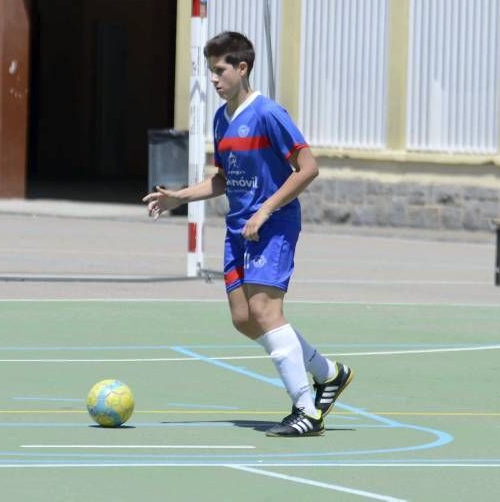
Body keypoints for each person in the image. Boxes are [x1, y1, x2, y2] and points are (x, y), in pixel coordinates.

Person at [142, 32, 353, 437]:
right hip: (239, 229)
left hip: (272, 226)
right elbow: (222, 178)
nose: (214, 80)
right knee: (243, 319)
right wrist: (179, 198)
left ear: (242, 68)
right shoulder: (221, 119)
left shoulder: (269, 114)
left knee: (265, 312)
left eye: (220, 70)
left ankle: (306, 411)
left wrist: (266, 210)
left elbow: (307, 168)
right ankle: (329, 373)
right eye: (210, 72)